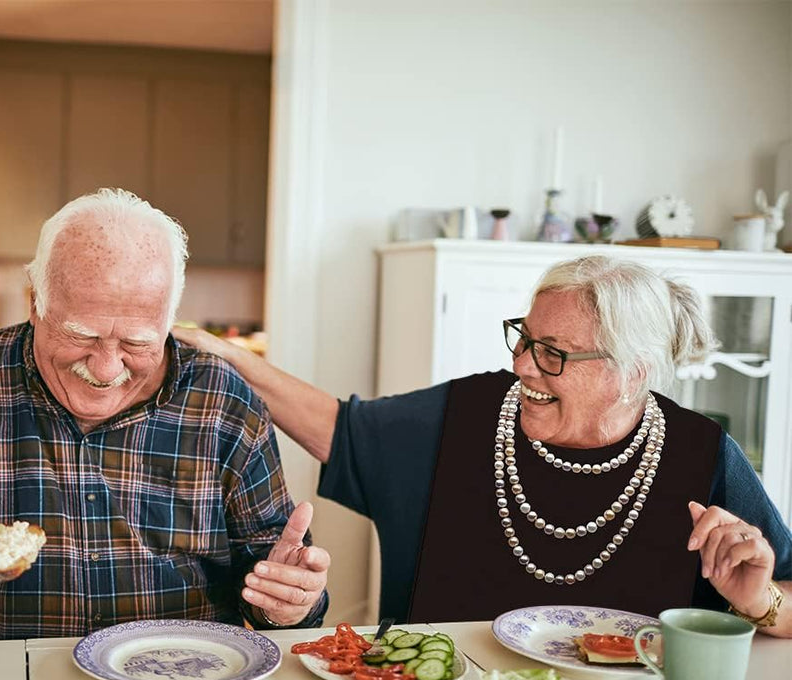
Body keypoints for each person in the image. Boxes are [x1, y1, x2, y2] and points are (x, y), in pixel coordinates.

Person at [174, 255, 792, 637]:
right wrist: (231, 356)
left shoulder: (700, 453)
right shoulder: (469, 415)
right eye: (524, 338)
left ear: (632, 372)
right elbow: (341, 429)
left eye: (554, 353)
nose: (523, 364)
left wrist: (757, 599)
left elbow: (784, 604)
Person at [0, 188, 330, 644]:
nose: (105, 368)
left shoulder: (224, 400)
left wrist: (289, 603)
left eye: (137, 343)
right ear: (34, 302)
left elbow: (279, 594)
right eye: (81, 335)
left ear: (169, 320)